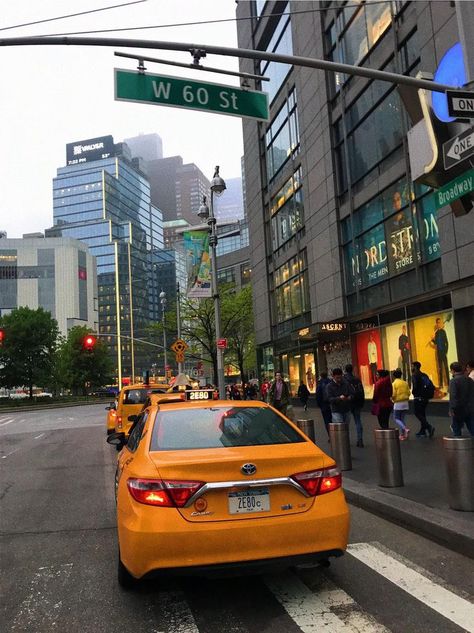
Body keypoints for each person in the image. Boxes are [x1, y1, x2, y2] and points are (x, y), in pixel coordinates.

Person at [448, 362, 474, 437]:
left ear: (453, 370)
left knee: (457, 428)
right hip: (470, 407)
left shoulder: (453, 381)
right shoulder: (469, 379)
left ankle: (458, 443)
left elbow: (453, 396)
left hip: (459, 409)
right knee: (471, 426)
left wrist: (451, 409)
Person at [411, 361, 435, 438]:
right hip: (425, 398)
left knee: (417, 413)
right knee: (422, 414)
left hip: (418, 398)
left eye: (412, 366)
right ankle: (423, 431)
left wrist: (414, 393)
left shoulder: (415, 375)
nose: (411, 367)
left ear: (415, 367)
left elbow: (415, 387)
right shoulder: (424, 375)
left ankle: (429, 427)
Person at [344, 364, 365, 447]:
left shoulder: (344, 380)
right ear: (352, 370)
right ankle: (360, 439)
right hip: (357, 402)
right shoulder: (357, 379)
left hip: (348, 402)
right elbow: (361, 391)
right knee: (358, 420)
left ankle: (344, 440)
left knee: (345, 423)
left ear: (345, 370)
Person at [391, 368, 411, 440]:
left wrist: (392, 399)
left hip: (398, 403)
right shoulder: (405, 383)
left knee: (396, 418)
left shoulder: (394, 384)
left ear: (394, 376)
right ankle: (402, 435)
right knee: (402, 419)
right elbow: (409, 392)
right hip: (406, 403)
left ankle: (405, 429)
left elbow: (393, 394)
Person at [431, 317, 449, 390]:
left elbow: (446, 342)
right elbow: (436, 343)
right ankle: (441, 384)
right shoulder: (437, 332)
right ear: (436, 324)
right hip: (438, 353)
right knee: (440, 369)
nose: (439, 324)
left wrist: (445, 351)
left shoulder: (443, 332)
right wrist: (432, 339)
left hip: (443, 352)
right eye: (437, 323)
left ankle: (448, 383)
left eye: (439, 323)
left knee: (446, 368)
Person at [315, 372, 332, 437]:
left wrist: (319, 404)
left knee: (326, 420)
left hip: (324, 405)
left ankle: (330, 435)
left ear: (321, 376)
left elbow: (318, 395)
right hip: (331, 403)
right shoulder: (330, 381)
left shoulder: (320, 383)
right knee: (332, 419)